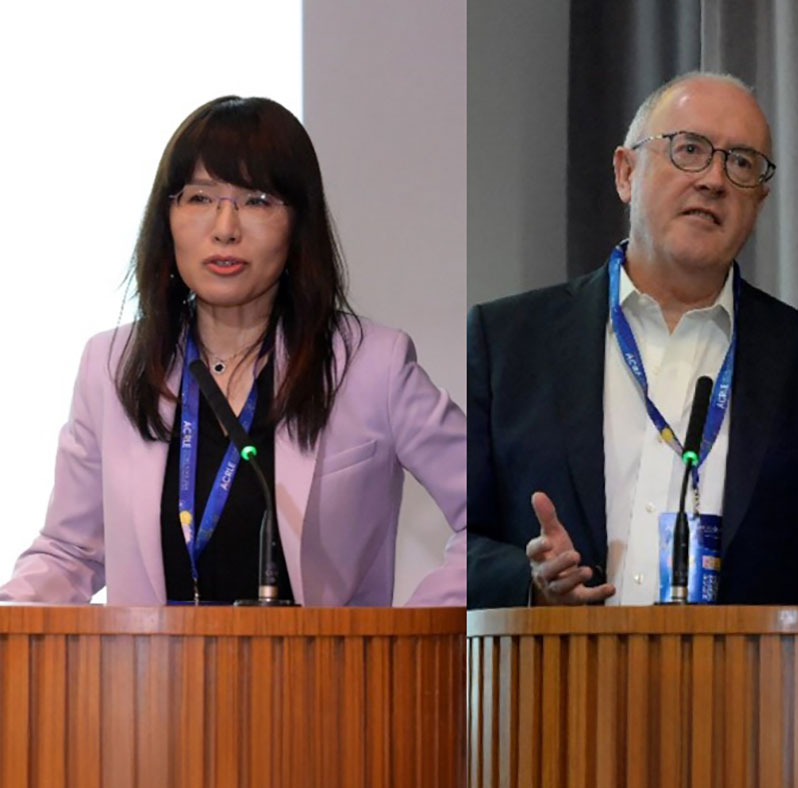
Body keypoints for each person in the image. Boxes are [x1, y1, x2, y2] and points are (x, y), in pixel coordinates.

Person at [467, 72, 798, 608]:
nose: (713, 179)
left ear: (759, 200)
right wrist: (530, 581)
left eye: (741, 163)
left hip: (741, 686)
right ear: (625, 172)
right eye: (689, 149)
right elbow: (464, 543)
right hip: (553, 682)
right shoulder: (505, 342)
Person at [0, 96, 465, 606]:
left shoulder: (372, 364)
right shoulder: (111, 365)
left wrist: (411, 637)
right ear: (168, 217)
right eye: (200, 199)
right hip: (150, 682)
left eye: (257, 200)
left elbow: (489, 513)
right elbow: (69, 552)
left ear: (297, 225)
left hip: (324, 683)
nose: (225, 227)